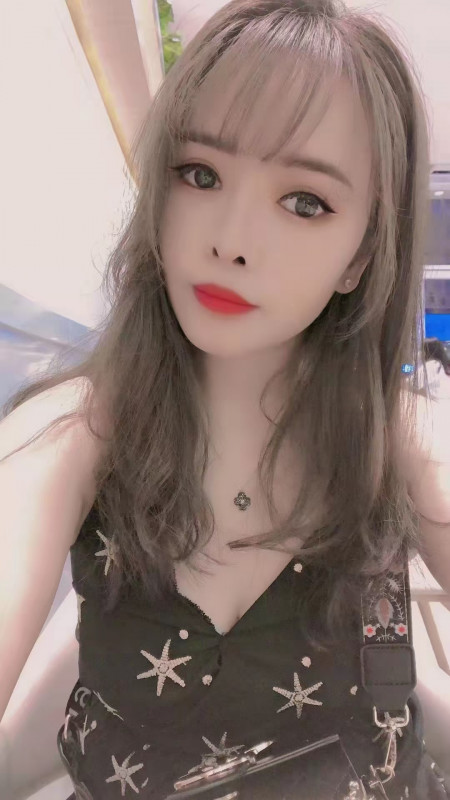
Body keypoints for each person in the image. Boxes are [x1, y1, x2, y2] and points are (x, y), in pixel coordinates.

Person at [1, 0, 449, 798]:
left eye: (305, 201)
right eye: (200, 174)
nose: (232, 240)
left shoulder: (404, 441)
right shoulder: (74, 433)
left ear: (361, 256)